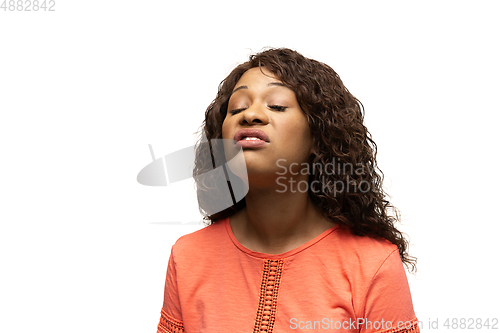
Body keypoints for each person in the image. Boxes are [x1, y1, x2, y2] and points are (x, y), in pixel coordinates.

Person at [156, 48, 419, 333]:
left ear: (319, 137)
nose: (251, 115)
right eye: (237, 108)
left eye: (277, 106)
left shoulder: (373, 264)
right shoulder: (188, 256)